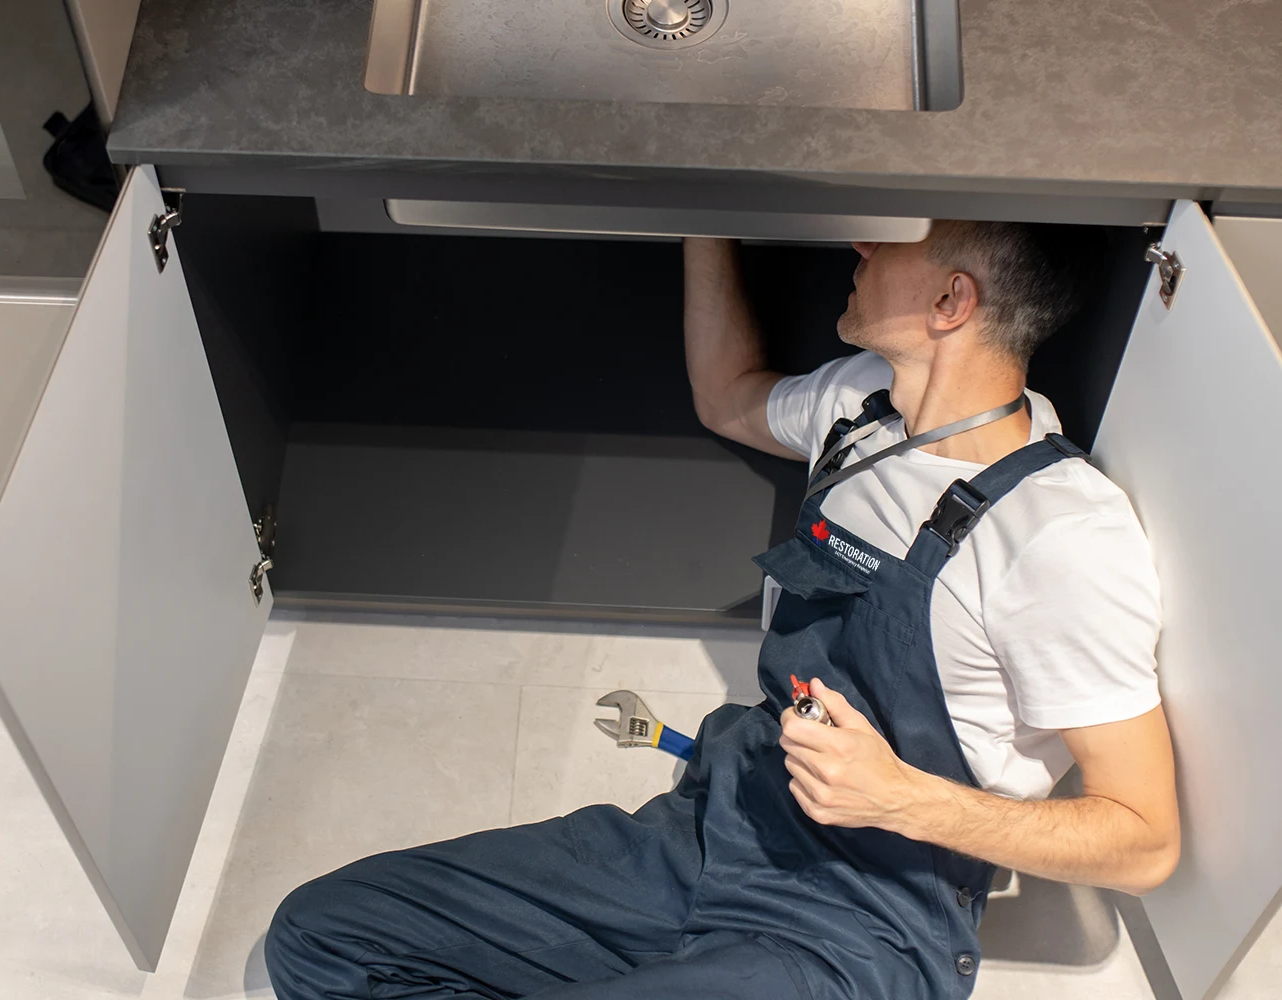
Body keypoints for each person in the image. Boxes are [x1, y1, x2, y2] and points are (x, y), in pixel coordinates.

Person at [264, 224, 1179, 1000]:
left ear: (950, 302)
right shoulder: (857, 403)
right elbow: (725, 394)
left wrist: (903, 798)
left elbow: (1143, 839)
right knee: (322, 937)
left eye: (899, 232)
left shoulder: (1060, 534)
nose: (861, 240)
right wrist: (709, 211)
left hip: (857, 923)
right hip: (712, 829)